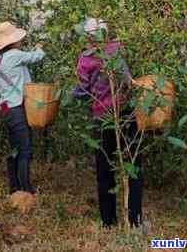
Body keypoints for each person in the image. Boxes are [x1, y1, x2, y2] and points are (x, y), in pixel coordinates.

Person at [73, 18, 143, 230]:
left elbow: (81, 91)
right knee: (134, 167)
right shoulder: (118, 49)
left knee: (105, 170)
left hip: (102, 118)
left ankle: (108, 221)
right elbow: (128, 80)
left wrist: (73, 94)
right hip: (125, 114)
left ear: (88, 37)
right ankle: (135, 221)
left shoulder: (85, 60)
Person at [0, 21, 45, 194]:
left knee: (15, 148)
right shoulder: (14, 54)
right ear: (12, 42)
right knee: (25, 149)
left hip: (7, 109)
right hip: (17, 108)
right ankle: (27, 189)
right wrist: (39, 47)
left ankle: (14, 187)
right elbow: (36, 57)